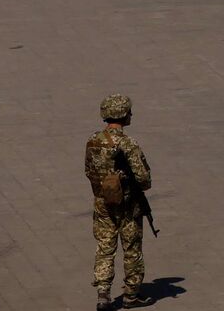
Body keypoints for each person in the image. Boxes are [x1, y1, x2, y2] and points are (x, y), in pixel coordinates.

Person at [84, 95, 153, 309]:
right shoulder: (127, 143)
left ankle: (103, 294)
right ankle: (131, 295)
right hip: (127, 206)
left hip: (103, 204)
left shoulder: (94, 140)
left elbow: (88, 170)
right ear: (124, 115)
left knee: (105, 247)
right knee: (131, 248)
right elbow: (143, 179)